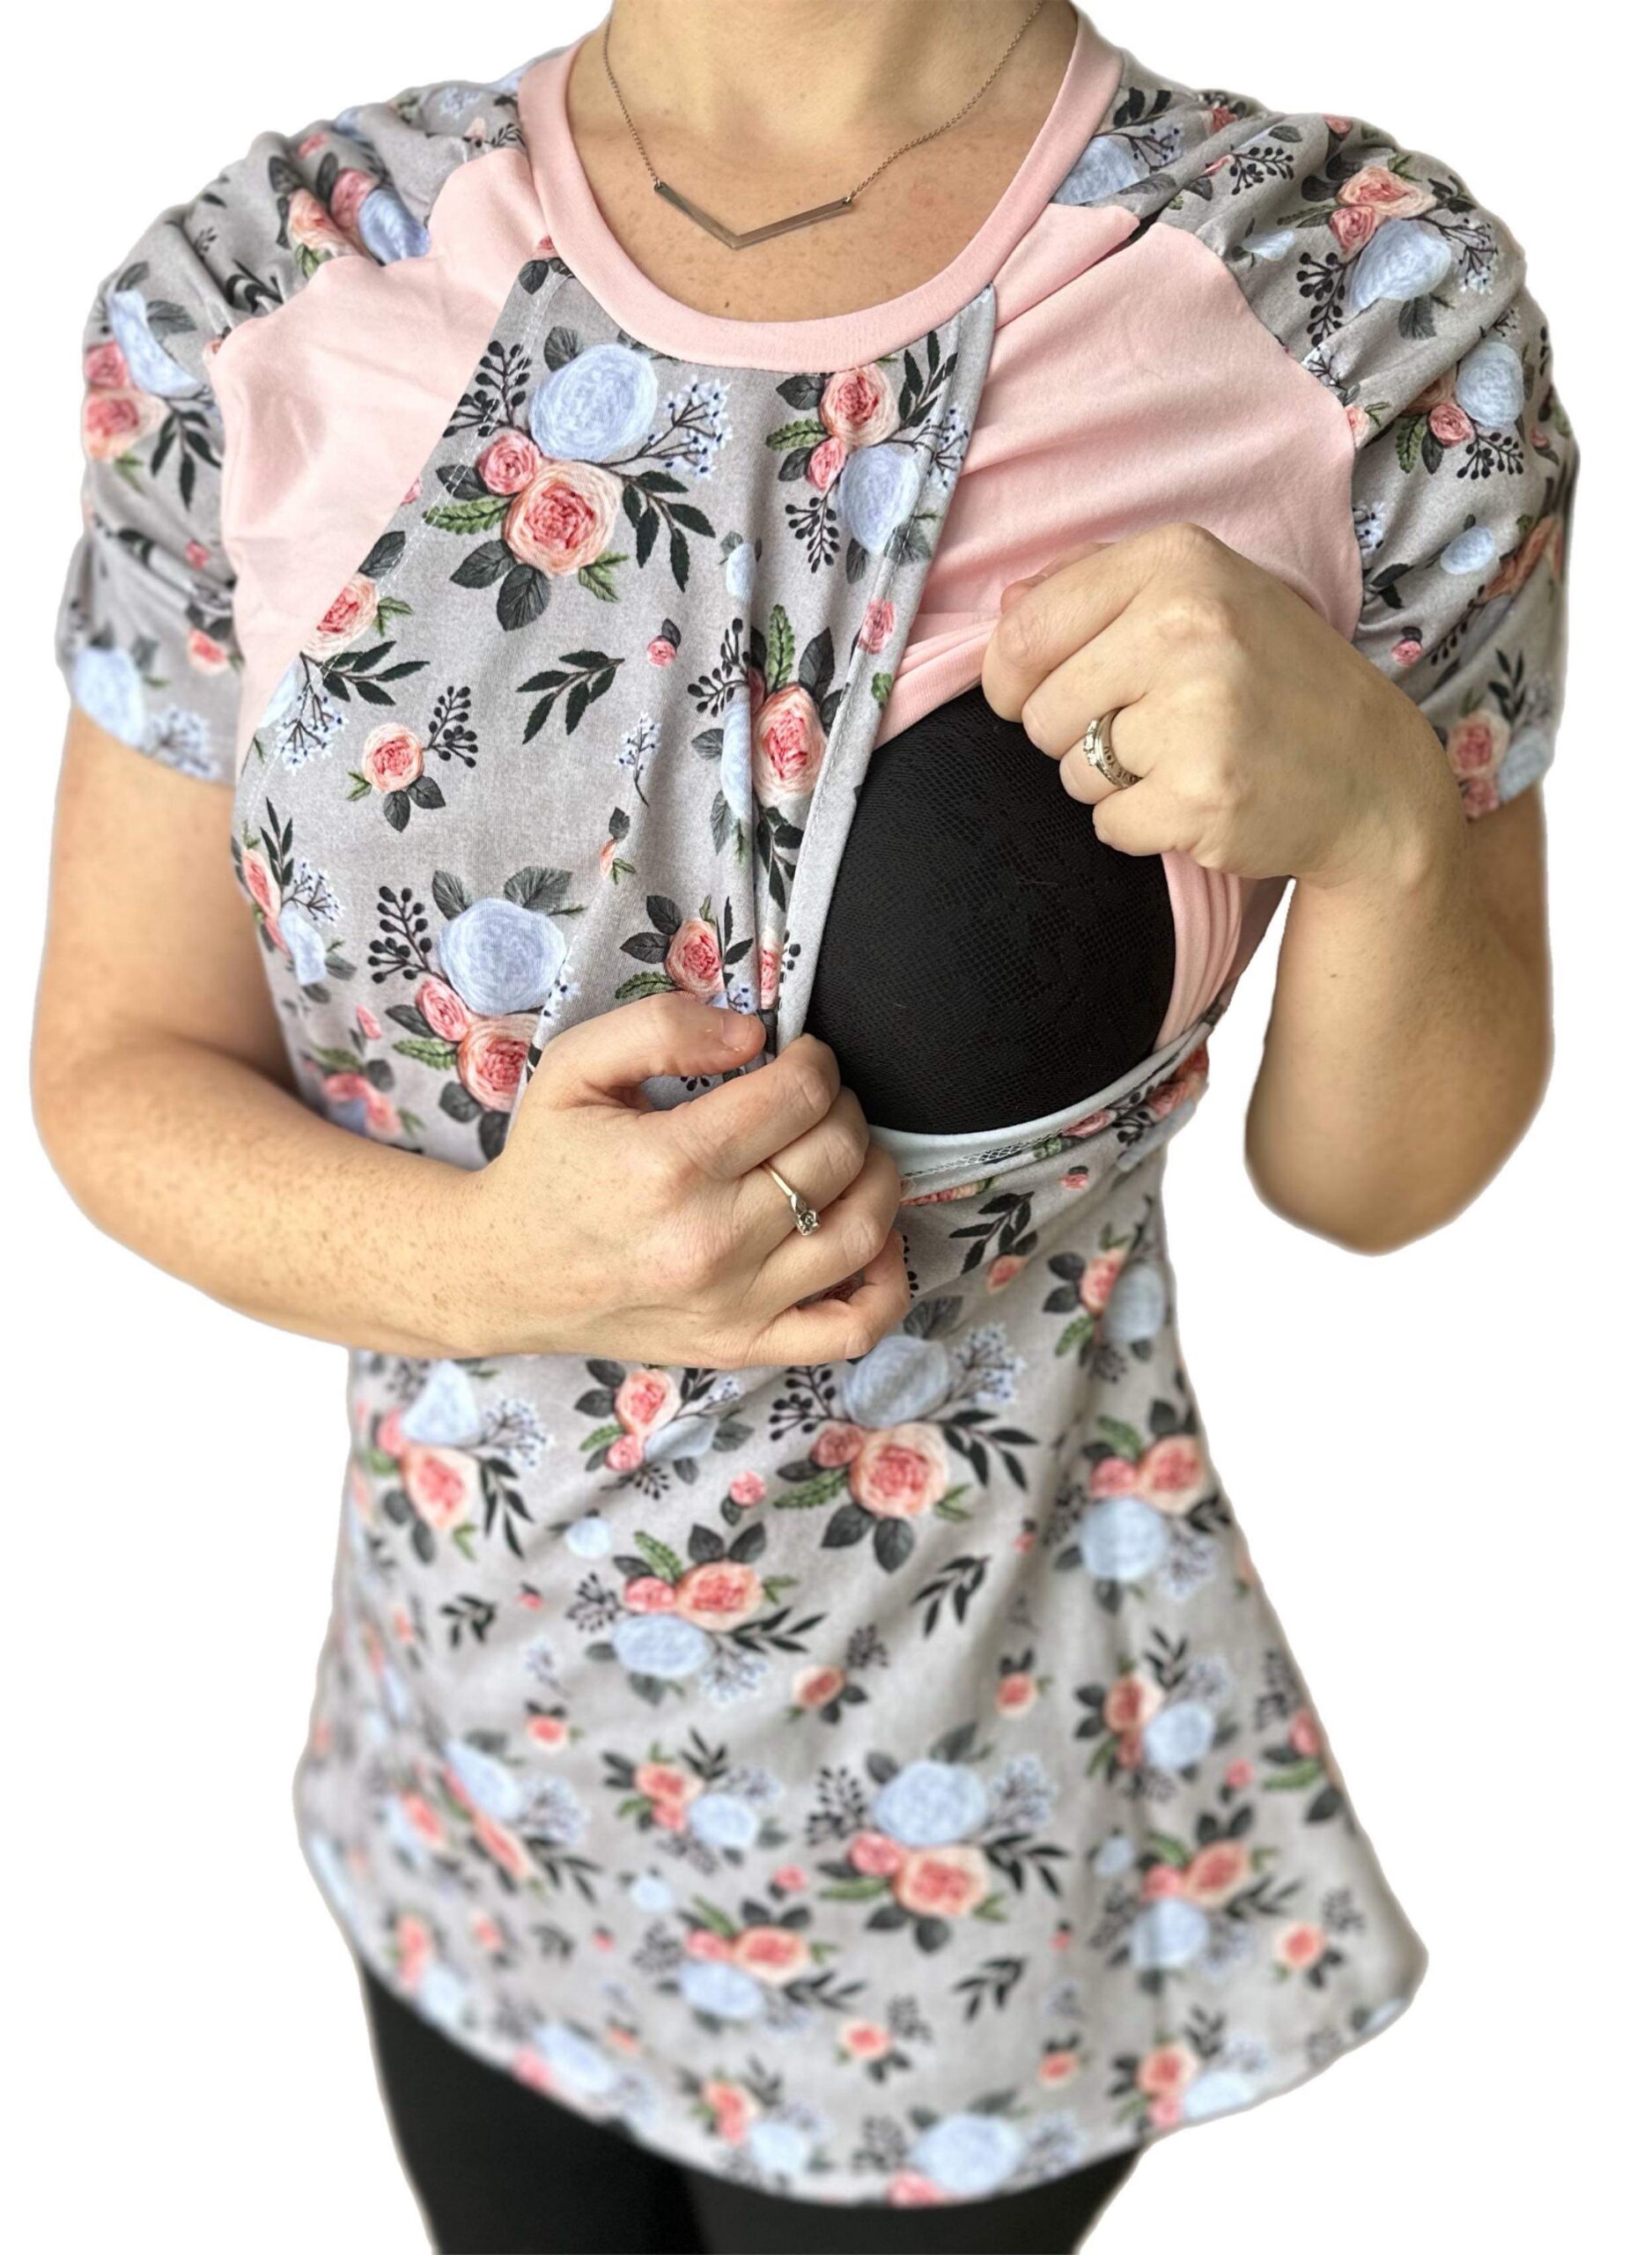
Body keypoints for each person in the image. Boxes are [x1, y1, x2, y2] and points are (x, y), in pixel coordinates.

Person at [34, 3, 1574, 2250]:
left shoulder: (1356, 302)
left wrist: (1384, 826)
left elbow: (1370, 1182)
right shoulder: (263, 281)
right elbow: (115, 1064)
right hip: (468, 1792)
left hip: (961, 1862)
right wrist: (494, 1266)